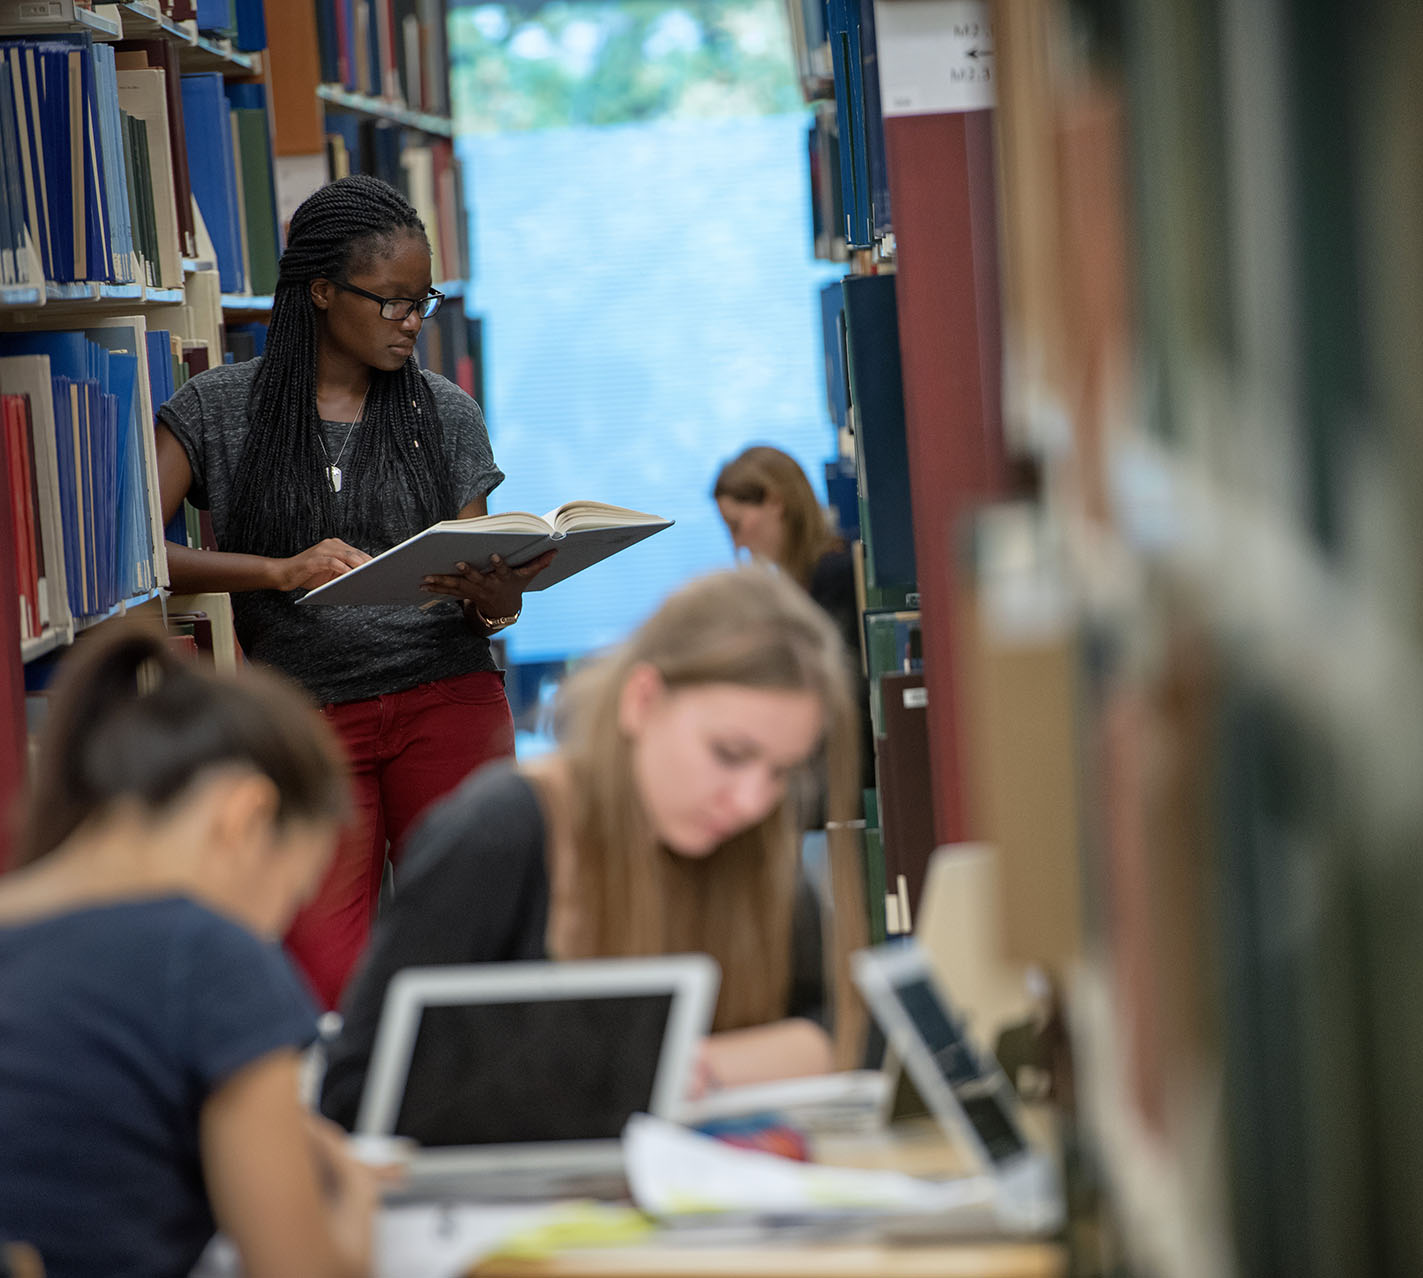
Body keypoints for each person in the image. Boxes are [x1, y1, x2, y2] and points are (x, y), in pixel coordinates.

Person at [154, 174, 553, 1009]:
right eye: (393, 302)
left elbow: (489, 597)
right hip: (303, 719)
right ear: (323, 291)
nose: (412, 322)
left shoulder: (444, 415)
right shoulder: (219, 408)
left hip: (447, 698)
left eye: (424, 301)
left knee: (477, 957)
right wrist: (275, 571)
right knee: (324, 975)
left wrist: (499, 594)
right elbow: (133, 554)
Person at [319, 568, 866, 1127]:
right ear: (642, 701)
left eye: (782, 772)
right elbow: (356, 1090)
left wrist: (693, 1065)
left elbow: (829, 1030)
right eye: (729, 753)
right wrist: (639, 1070)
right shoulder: (500, 832)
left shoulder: (750, 839)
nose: (752, 801)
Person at [0, 625, 376, 1278]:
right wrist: (358, 1202)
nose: (272, 931)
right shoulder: (210, 954)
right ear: (245, 817)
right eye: (289, 897)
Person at [712, 445, 873, 796]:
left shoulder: (835, 576)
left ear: (774, 501)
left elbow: (838, 691)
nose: (737, 545)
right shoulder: (800, 586)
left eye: (737, 526)